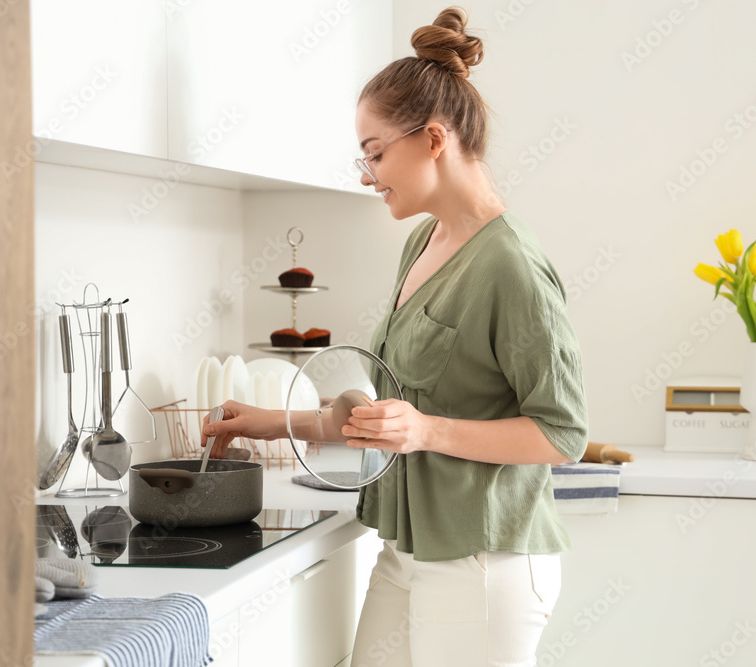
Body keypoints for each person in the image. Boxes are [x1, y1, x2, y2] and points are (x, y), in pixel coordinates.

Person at [202, 7, 588, 666]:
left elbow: (562, 434)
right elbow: (393, 417)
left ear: (434, 138)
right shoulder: (423, 241)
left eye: (376, 153)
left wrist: (428, 430)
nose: (365, 173)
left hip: (481, 562)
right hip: (406, 550)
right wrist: (275, 420)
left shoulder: (511, 265)